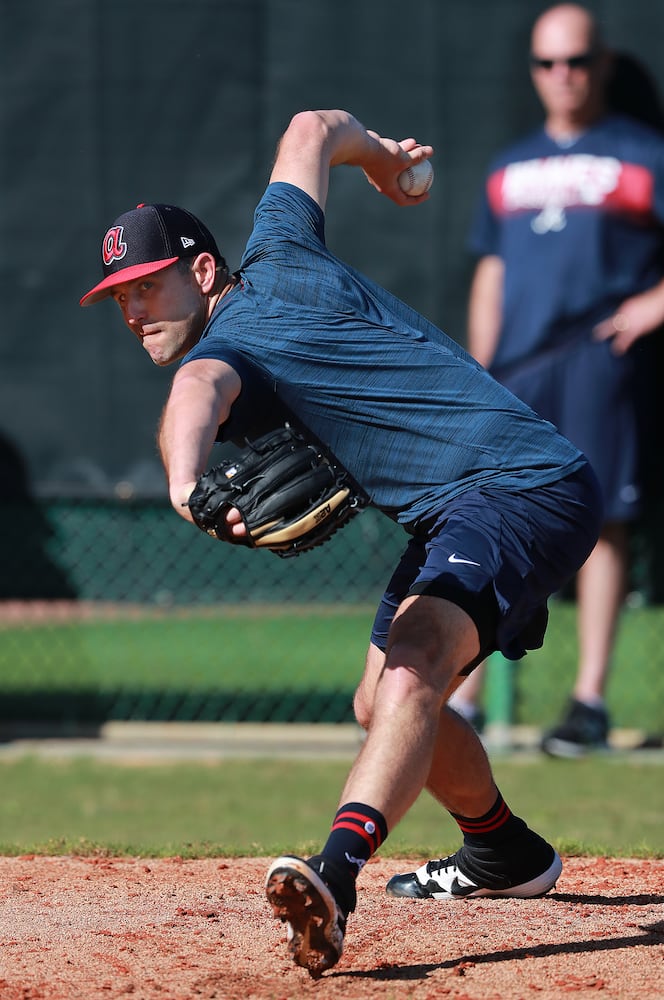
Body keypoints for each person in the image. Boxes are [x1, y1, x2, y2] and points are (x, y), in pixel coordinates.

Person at [80, 109, 601, 977]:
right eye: (120, 297)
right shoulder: (284, 243)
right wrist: (387, 160)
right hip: (454, 509)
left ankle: (335, 876)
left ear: (203, 271)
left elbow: (196, 392)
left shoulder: (231, 340)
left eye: (148, 285)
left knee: (416, 662)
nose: (134, 310)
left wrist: (182, 483)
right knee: (381, 704)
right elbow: (311, 128)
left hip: (521, 483)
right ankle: (505, 853)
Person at [450, 3, 664, 757]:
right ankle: (464, 698)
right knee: (493, 520)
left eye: (576, 61)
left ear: (601, 64)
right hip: (517, 371)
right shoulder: (509, 167)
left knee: (602, 524)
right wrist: (482, 368)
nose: (563, 76)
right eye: (547, 63)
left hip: (601, 358)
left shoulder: (645, 153)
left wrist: (652, 303)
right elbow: (494, 269)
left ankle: (589, 702)